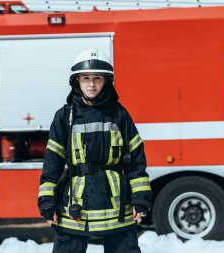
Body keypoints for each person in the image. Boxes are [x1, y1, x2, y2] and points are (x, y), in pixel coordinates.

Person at [38, 48, 152, 253]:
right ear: (77, 82)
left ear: (106, 81)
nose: (91, 84)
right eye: (85, 78)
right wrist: (47, 201)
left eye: (97, 78)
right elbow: (52, 162)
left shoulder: (119, 114)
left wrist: (140, 197)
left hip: (116, 201)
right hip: (75, 201)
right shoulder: (64, 116)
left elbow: (136, 160)